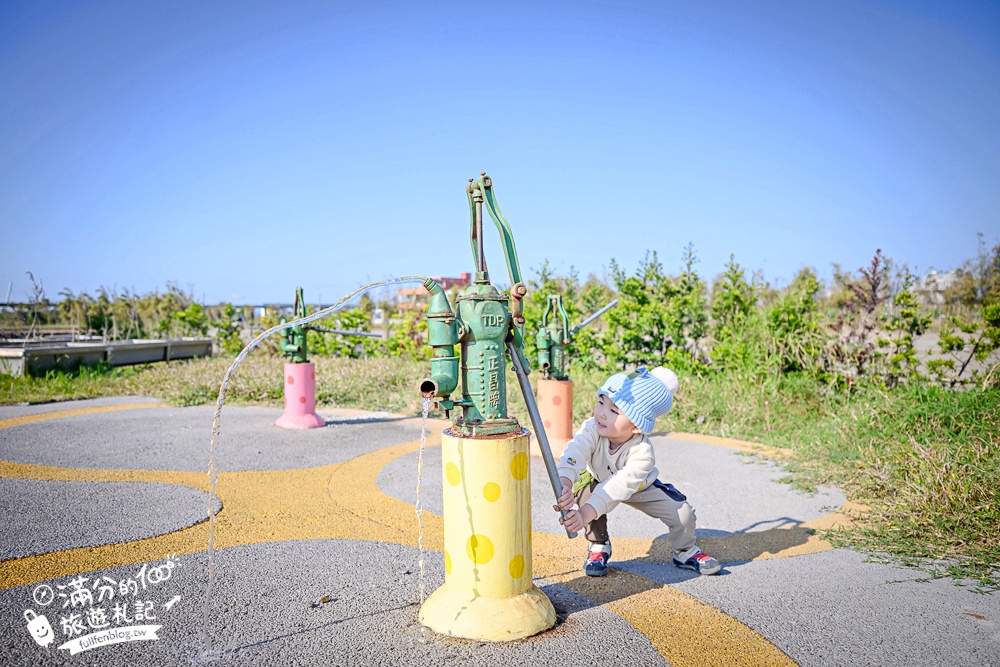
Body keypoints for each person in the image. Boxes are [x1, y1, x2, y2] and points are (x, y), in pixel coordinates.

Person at [554, 366, 721, 577]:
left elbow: (618, 487)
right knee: (585, 493)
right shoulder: (592, 428)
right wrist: (565, 481)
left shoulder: (642, 453)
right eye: (601, 402)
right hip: (597, 478)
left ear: (636, 426)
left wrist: (584, 514)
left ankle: (684, 550)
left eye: (614, 410)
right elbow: (575, 451)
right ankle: (598, 545)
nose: (602, 414)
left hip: (638, 486)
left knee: (682, 512)